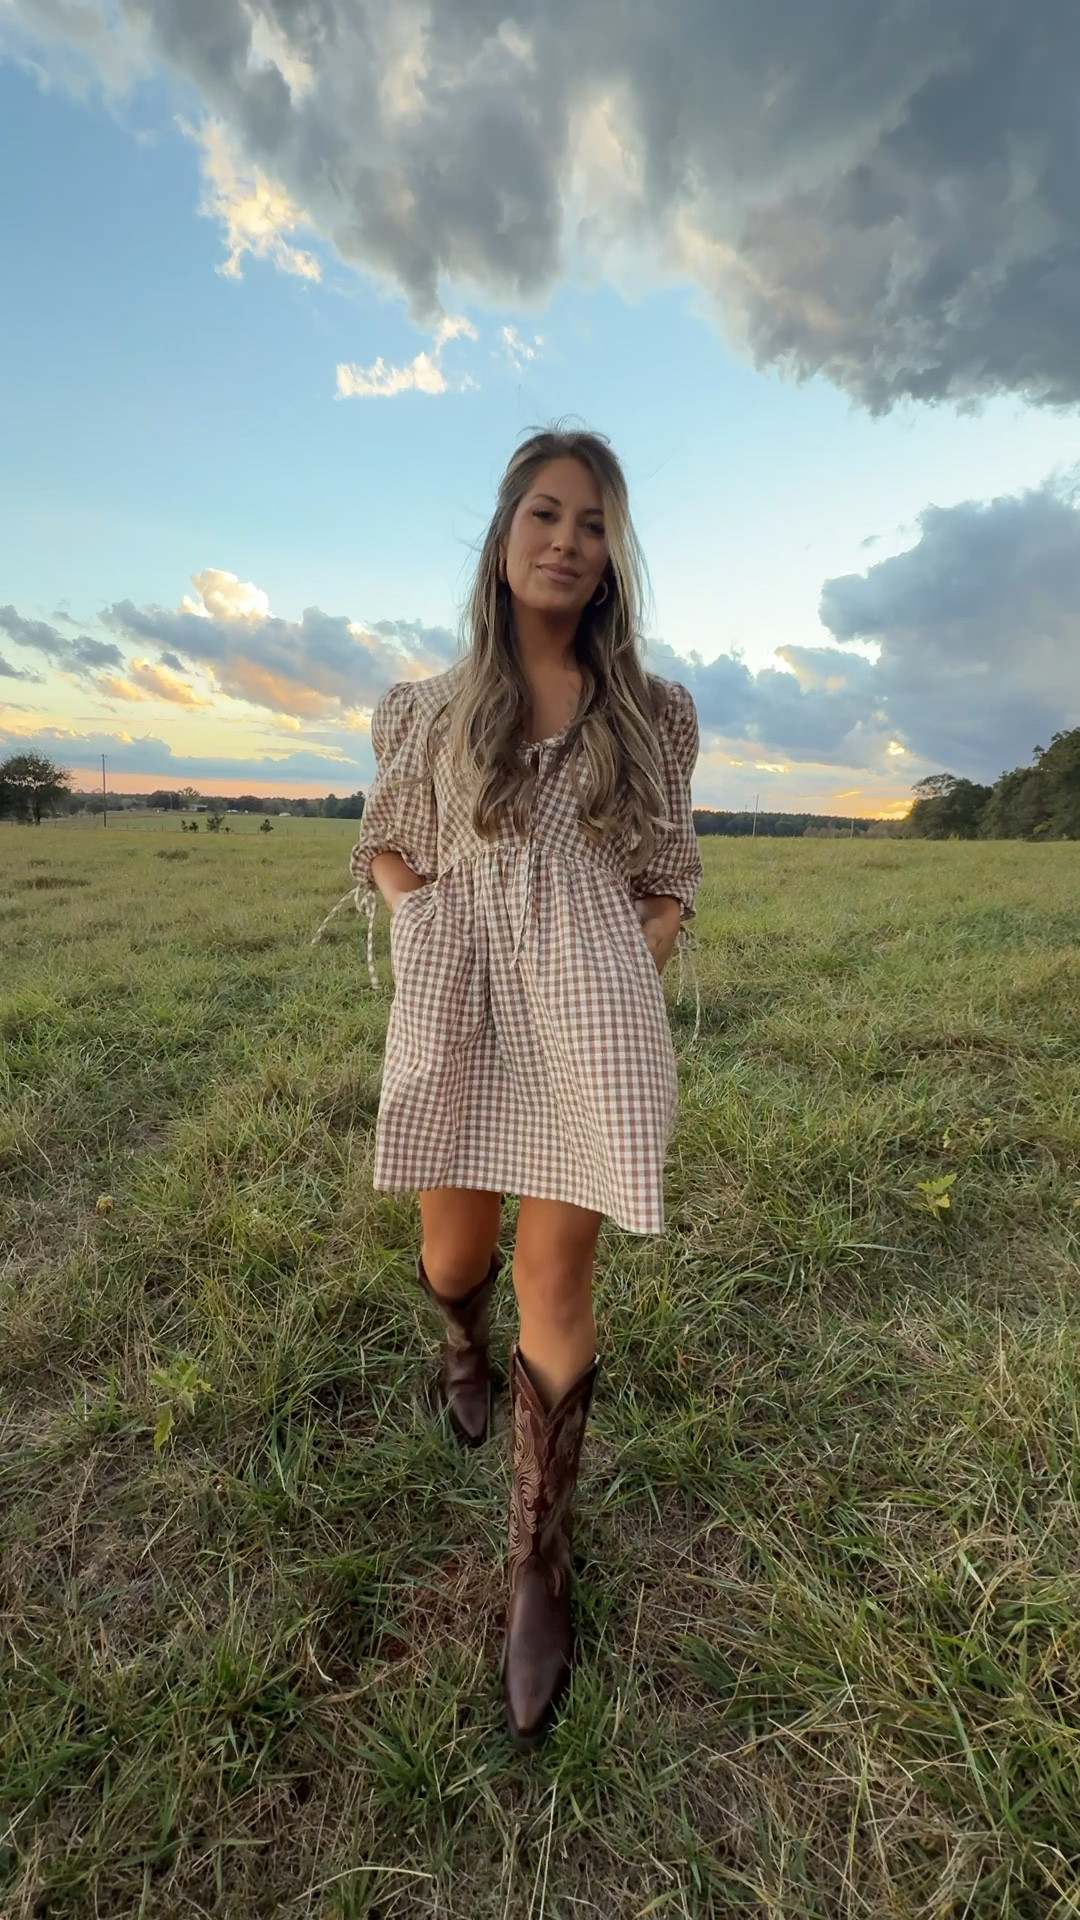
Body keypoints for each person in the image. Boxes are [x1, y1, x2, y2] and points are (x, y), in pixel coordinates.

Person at [341, 425, 703, 1749]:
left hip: (588, 1019)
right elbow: (386, 836)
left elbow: (669, 870)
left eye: (595, 523)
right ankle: (456, 1340)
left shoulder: (651, 712)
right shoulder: (424, 709)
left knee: (562, 1276)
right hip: (456, 999)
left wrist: (628, 953)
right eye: (546, 514)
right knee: (456, 1247)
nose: (568, 540)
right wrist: (425, 916)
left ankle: (537, 1565)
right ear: (505, 535)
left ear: (614, 559)